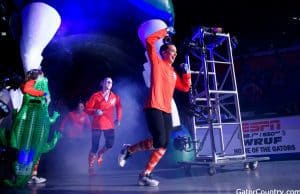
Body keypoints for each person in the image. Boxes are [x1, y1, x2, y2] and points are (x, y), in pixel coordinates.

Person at [118, 27, 191, 186]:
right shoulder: (157, 62)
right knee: (160, 140)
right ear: (164, 52)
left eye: (176, 53)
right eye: (173, 51)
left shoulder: (173, 72)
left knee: (163, 144)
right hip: (153, 106)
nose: (175, 54)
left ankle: (144, 174)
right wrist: (165, 32)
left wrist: (186, 74)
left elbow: (185, 88)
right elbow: (150, 40)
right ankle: (129, 151)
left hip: (167, 110)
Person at [85, 77, 122, 175]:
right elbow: (87, 109)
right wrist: (94, 111)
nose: (109, 83)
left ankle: (101, 153)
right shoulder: (95, 96)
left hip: (109, 124)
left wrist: (118, 118)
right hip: (97, 125)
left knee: (110, 144)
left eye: (111, 82)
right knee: (94, 147)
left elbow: (119, 107)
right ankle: (91, 168)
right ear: (102, 83)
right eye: (107, 81)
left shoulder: (115, 96)